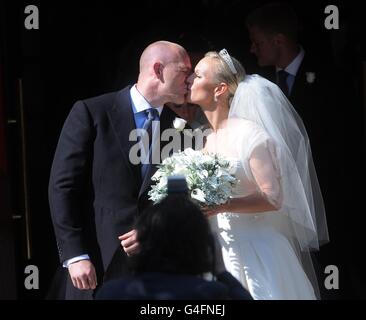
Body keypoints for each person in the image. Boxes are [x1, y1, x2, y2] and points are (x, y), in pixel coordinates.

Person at [48, 41, 192, 299]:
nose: (190, 79)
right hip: (95, 263)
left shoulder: (182, 128)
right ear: (158, 70)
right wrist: (75, 254)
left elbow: (182, 197)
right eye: (184, 71)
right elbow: (62, 187)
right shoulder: (92, 112)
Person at [186, 49, 329, 300]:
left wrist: (223, 205)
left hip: (256, 251)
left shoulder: (251, 136)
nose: (189, 80)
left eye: (197, 76)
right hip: (218, 250)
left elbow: (273, 198)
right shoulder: (208, 140)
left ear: (219, 89)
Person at [246, 3, 356, 298]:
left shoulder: (334, 79)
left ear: (278, 40)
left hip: (331, 201)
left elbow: (345, 144)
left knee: (335, 279)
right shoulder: (259, 87)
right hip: (283, 207)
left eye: (257, 42)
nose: (252, 49)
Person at [96, 176, 252, 300]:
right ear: (203, 244)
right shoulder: (209, 293)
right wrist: (221, 271)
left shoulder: (112, 293)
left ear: (144, 244)